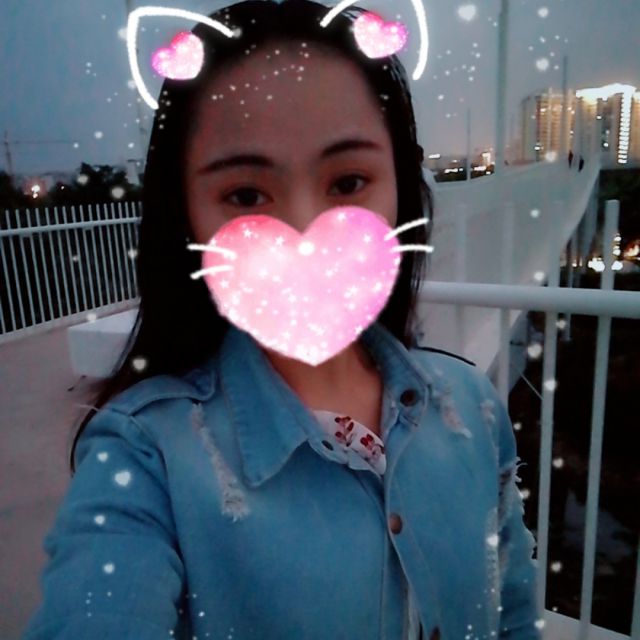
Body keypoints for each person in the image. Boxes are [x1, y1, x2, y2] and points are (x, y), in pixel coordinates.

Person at [22, 1, 542, 639]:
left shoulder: (474, 408)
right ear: (186, 215)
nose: (304, 233)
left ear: (400, 187)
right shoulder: (145, 459)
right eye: (245, 195)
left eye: (348, 182)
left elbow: (513, 614)